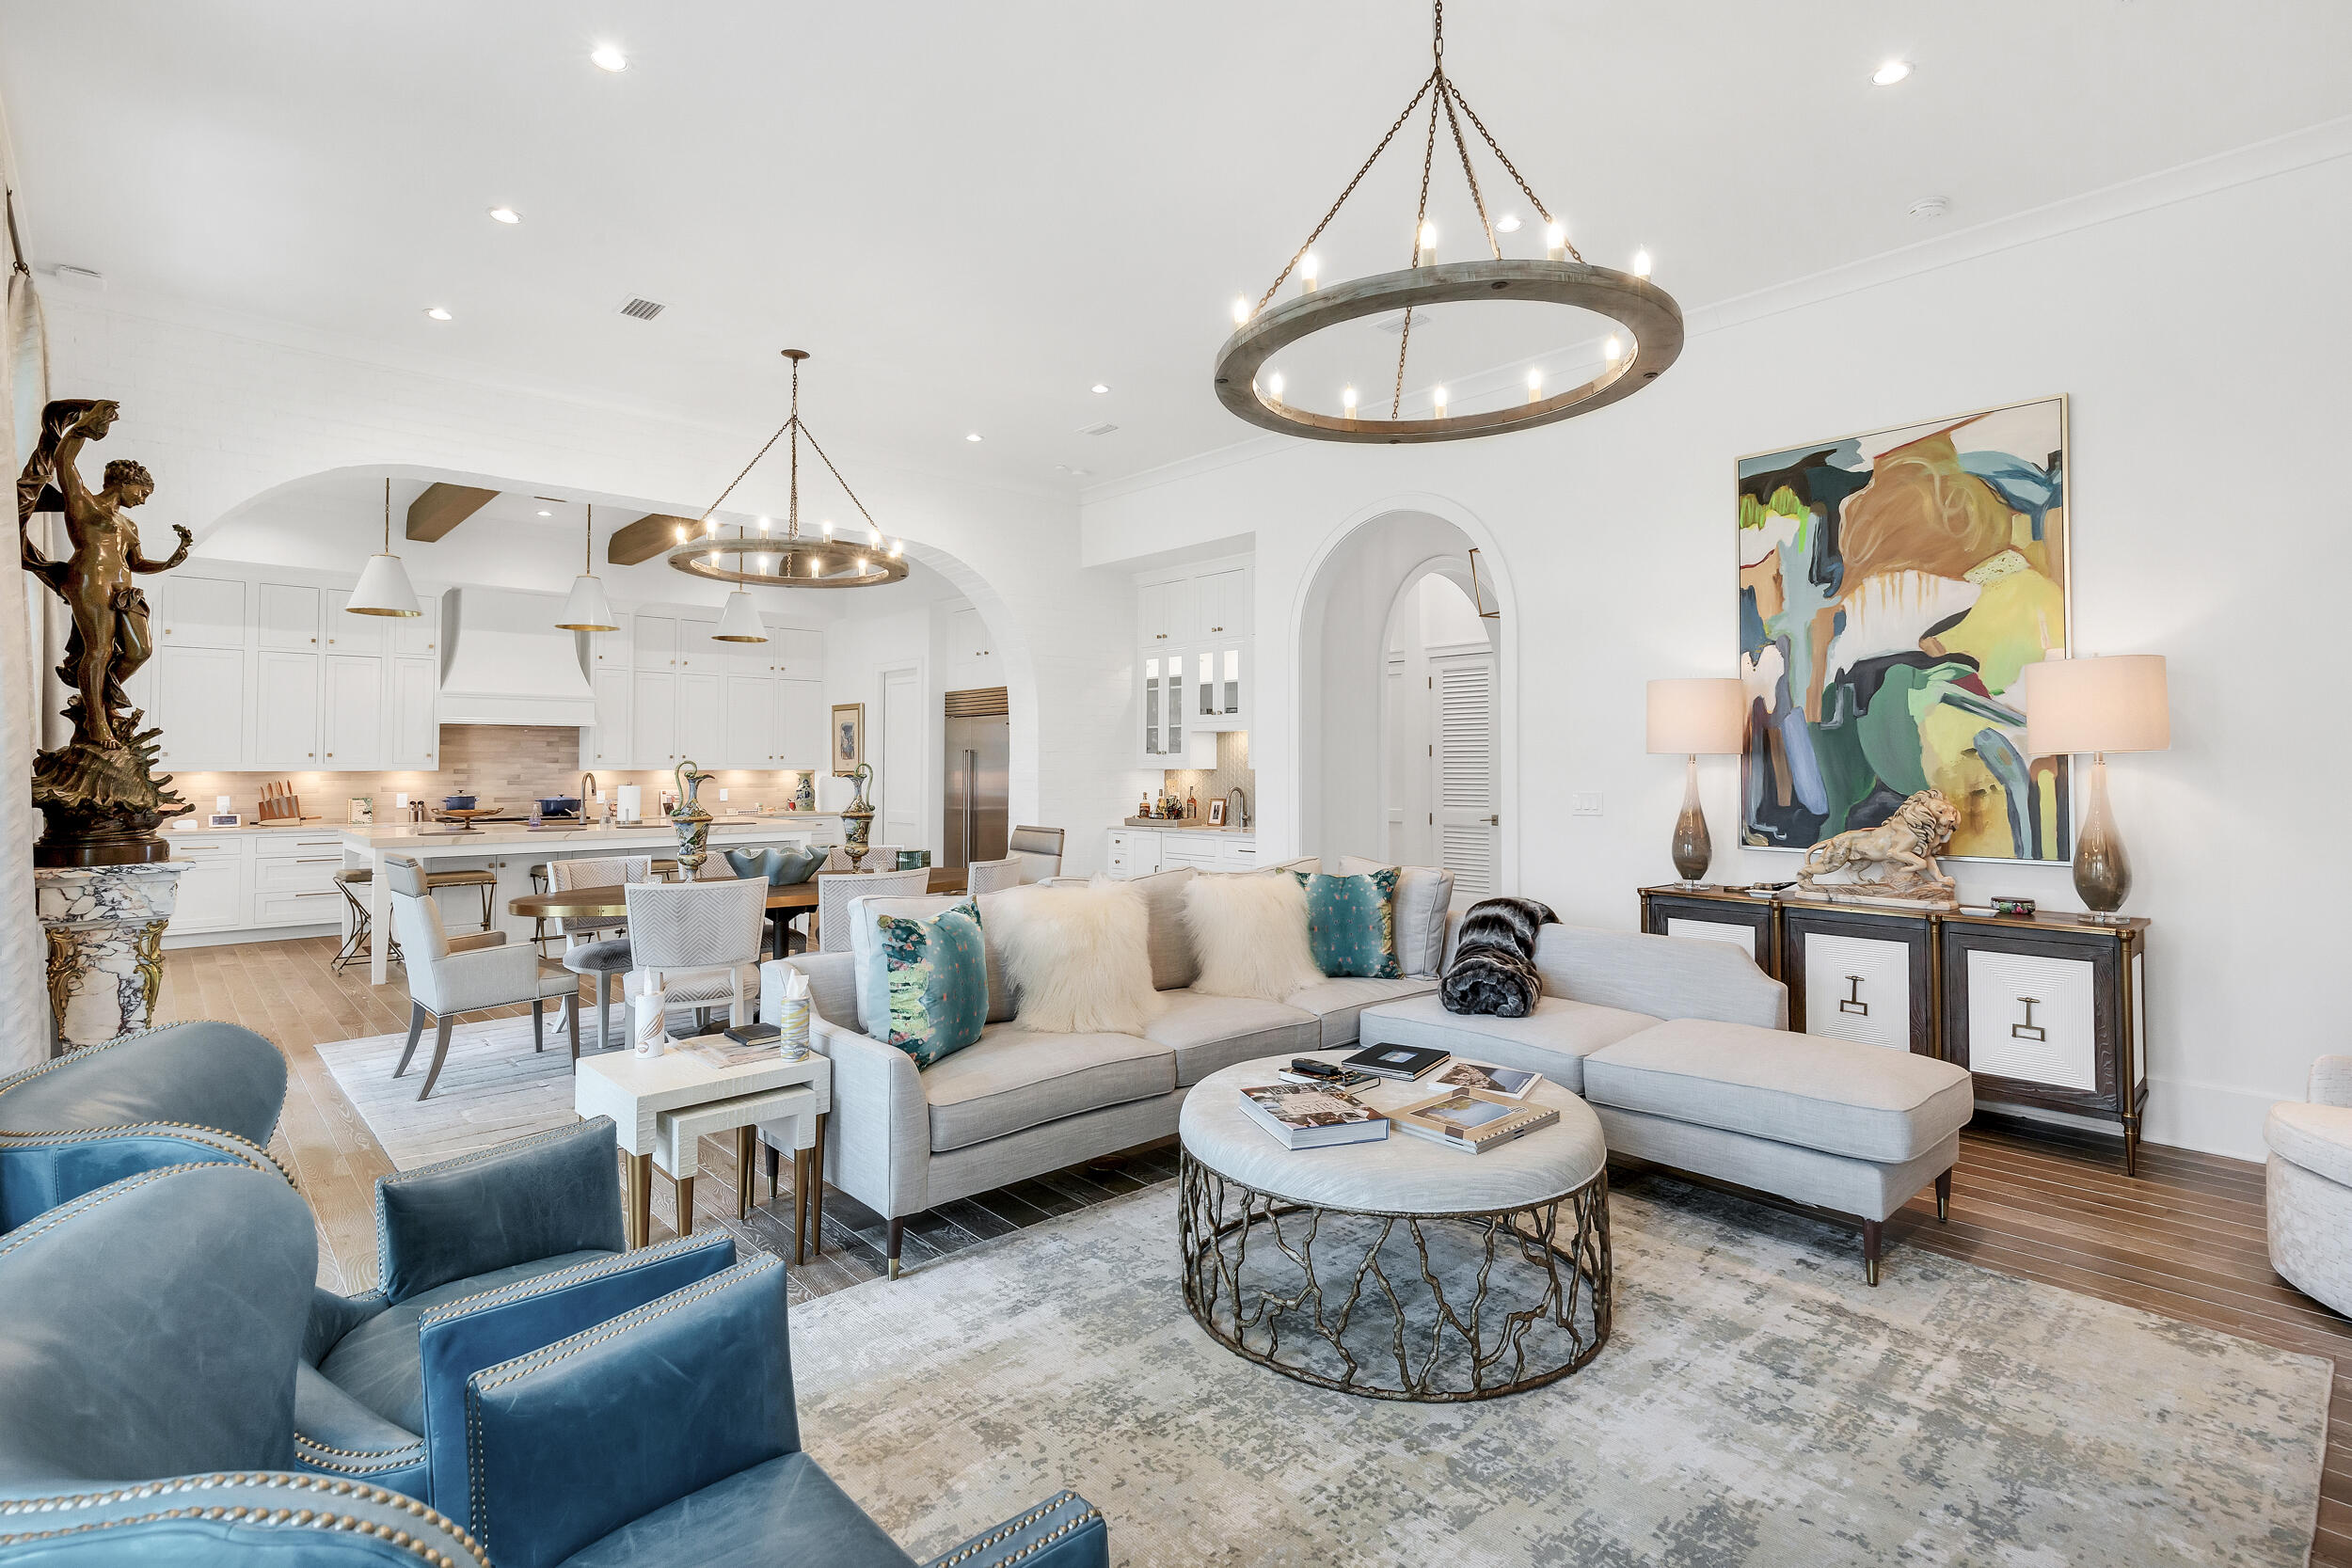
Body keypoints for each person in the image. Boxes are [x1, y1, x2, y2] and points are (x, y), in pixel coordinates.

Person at [19, 399, 189, 753]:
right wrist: (85, 426)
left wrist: (170, 562)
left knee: (140, 651)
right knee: (97, 650)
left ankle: (92, 699)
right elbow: (65, 461)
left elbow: (137, 562)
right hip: (89, 579)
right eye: (141, 492)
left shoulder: (130, 524)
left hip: (125, 589)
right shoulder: (84, 503)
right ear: (124, 484)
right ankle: (97, 720)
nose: (143, 499)